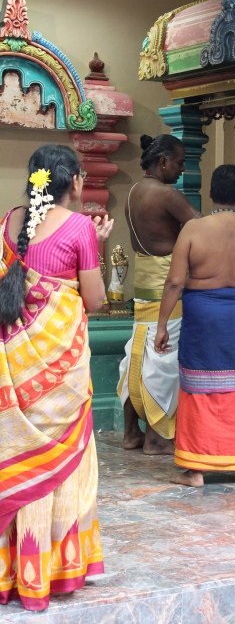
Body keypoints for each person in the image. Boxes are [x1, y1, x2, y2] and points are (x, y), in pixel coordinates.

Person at [0, 144, 113, 611]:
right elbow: (96, 301)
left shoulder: (7, 222)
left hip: (15, 368)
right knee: (61, 456)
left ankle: (12, 571)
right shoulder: (82, 227)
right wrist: (98, 248)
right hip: (60, 372)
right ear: (77, 183)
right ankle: (53, 570)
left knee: (16, 455)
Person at [153, 164, 235, 487]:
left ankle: (196, 470)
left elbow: (174, 283)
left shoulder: (193, 232)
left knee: (200, 386)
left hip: (203, 315)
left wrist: (161, 325)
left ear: (211, 194)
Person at [117, 134, 200, 455]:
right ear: (163, 162)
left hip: (143, 283)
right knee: (163, 360)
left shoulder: (133, 191)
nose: (181, 169)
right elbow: (200, 228)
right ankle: (156, 437)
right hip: (168, 284)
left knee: (136, 356)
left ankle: (131, 434)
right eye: (179, 162)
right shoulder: (166, 194)